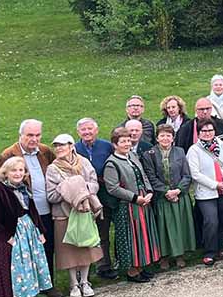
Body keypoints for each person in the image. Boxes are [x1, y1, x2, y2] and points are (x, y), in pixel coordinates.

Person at [0, 119, 61, 297]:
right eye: (30, 135)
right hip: (23, 215)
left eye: (37, 135)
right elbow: (2, 182)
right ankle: (30, 291)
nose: (34, 139)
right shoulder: (9, 154)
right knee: (26, 253)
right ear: (21, 135)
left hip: (46, 210)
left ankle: (47, 284)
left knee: (47, 247)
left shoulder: (44, 151)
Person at [0, 156, 53, 297]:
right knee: (17, 273)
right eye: (13, 170)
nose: (17, 173)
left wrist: (40, 231)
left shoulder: (24, 187)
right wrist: (8, 239)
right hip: (12, 237)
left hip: (28, 233)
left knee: (28, 271)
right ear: (5, 172)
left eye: (20, 170)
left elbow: (33, 211)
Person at [44, 134, 103, 297]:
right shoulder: (52, 169)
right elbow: (51, 195)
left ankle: (85, 281)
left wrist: (80, 189)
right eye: (56, 146)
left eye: (62, 145)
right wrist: (69, 190)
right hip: (64, 214)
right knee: (68, 250)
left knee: (86, 247)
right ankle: (73, 284)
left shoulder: (84, 162)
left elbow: (94, 184)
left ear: (71, 146)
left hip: (84, 212)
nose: (59, 149)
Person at [104, 127, 163, 279]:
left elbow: (143, 175)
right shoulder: (112, 163)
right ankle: (131, 271)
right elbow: (113, 188)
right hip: (127, 205)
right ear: (115, 144)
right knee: (131, 237)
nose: (127, 144)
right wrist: (135, 198)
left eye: (128, 141)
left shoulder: (132, 155)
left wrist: (149, 191)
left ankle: (141, 266)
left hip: (143, 201)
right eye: (122, 141)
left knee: (143, 234)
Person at [142, 124, 196, 269]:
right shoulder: (149, 154)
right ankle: (164, 256)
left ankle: (180, 255)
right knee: (163, 227)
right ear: (157, 138)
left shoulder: (180, 151)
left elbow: (187, 175)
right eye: (162, 135)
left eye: (168, 135)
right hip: (162, 197)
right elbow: (151, 177)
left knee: (180, 226)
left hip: (180, 196)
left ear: (173, 138)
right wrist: (166, 191)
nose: (165, 138)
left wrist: (178, 190)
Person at [185, 120, 223, 264]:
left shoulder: (220, 145)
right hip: (206, 192)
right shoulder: (194, 150)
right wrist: (215, 185)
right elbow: (195, 173)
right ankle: (210, 251)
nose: (207, 133)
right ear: (199, 133)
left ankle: (221, 246)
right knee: (211, 221)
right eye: (204, 131)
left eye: (210, 130)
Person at [74, 119, 116, 279]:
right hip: (83, 196)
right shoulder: (74, 149)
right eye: (83, 130)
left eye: (90, 129)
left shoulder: (106, 146)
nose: (87, 132)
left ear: (96, 130)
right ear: (78, 132)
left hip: (104, 194)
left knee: (103, 231)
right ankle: (84, 269)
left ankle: (104, 265)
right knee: (84, 234)